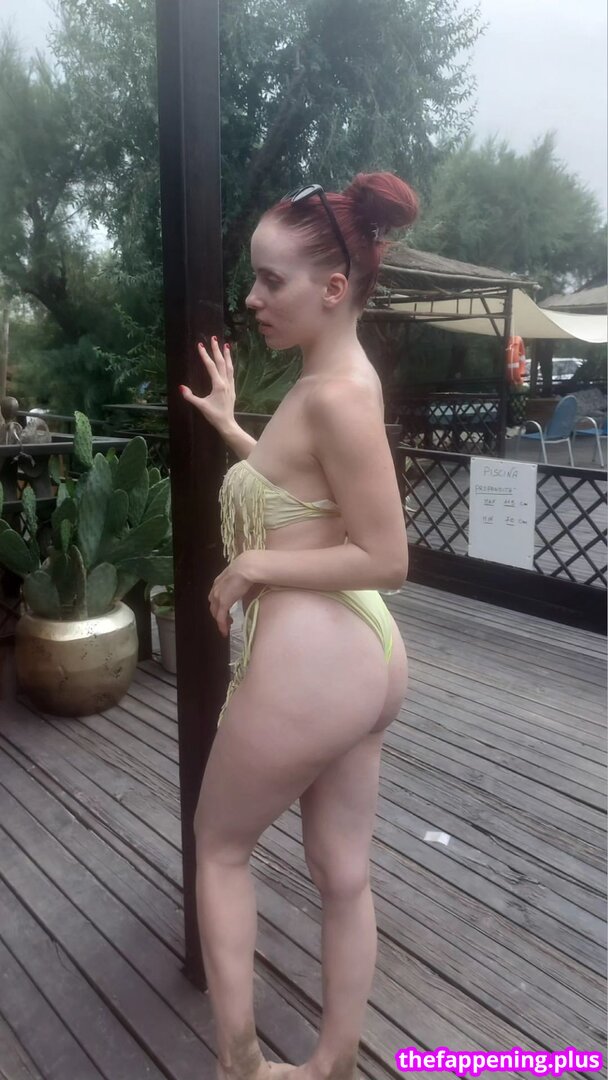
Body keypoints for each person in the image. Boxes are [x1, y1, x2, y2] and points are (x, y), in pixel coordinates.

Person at [180, 172, 418, 1080]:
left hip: (319, 654)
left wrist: (255, 566)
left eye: (270, 280)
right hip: (360, 659)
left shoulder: (334, 395)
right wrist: (232, 428)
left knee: (219, 848)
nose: (252, 298)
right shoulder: (330, 381)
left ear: (333, 287)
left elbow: (387, 557)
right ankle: (332, 1065)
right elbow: (300, 496)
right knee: (342, 874)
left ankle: (242, 1065)